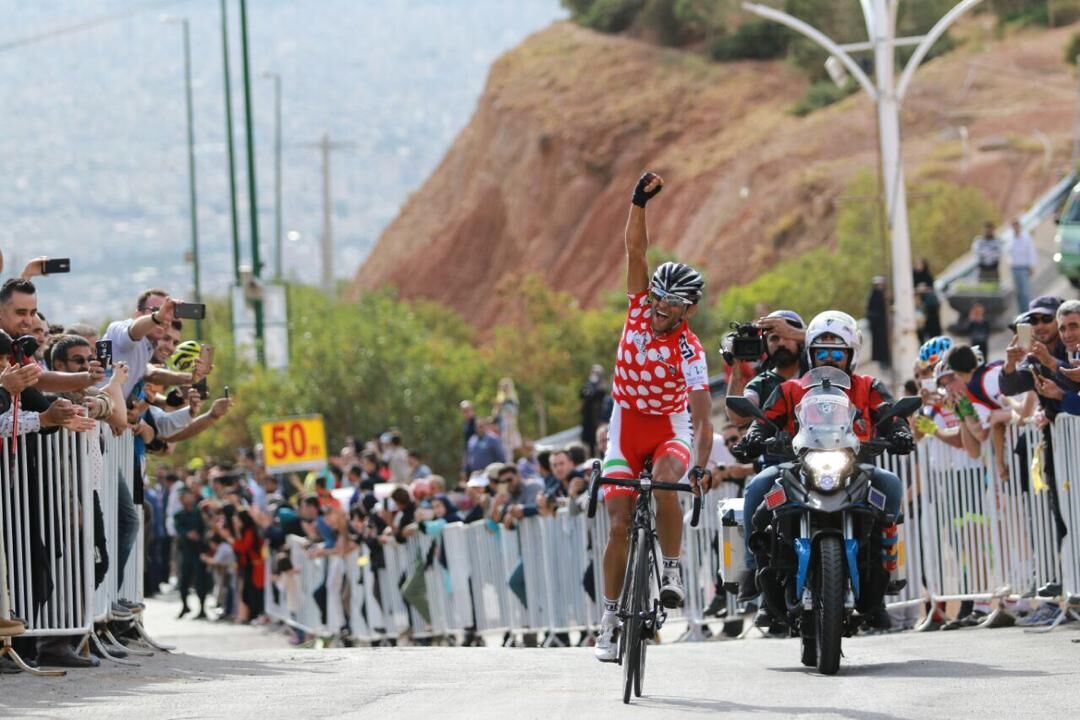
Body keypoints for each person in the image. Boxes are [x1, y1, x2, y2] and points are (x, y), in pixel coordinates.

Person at [594, 171, 713, 663]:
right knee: (618, 522)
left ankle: (671, 569)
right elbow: (635, 253)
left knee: (666, 483)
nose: (662, 308)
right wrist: (638, 202)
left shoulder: (690, 351)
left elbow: (704, 419)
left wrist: (701, 468)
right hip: (626, 425)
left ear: (689, 309)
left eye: (673, 304)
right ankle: (607, 620)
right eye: (659, 298)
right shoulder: (638, 309)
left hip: (668, 428)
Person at [734, 311, 911, 601]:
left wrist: (900, 432)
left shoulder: (868, 386)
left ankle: (884, 563)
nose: (829, 358)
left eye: (836, 353)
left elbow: (890, 416)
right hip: (799, 466)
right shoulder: (790, 389)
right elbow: (764, 420)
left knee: (890, 483)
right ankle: (754, 569)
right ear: (810, 354)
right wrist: (753, 437)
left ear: (851, 354)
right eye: (821, 352)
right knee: (758, 486)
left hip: (857, 468)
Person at [1008, 219, 1037, 313]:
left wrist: (1031, 266)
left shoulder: (1026, 238)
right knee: (1018, 293)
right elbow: (1009, 253)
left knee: (1026, 292)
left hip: (1024, 268)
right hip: (1015, 268)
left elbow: (1031, 252)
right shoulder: (1011, 238)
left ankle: (1029, 311)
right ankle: (1022, 312)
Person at [580, 364, 609, 456]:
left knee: (602, 440)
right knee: (590, 442)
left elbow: (601, 395)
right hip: (589, 419)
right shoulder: (588, 385)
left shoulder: (602, 385)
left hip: (599, 419)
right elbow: (582, 395)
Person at [865, 276, 890, 369]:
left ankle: (887, 361)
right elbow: (869, 310)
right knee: (879, 345)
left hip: (885, 325)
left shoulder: (886, 295)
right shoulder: (873, 296)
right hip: (877, 326)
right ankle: (881, 362)